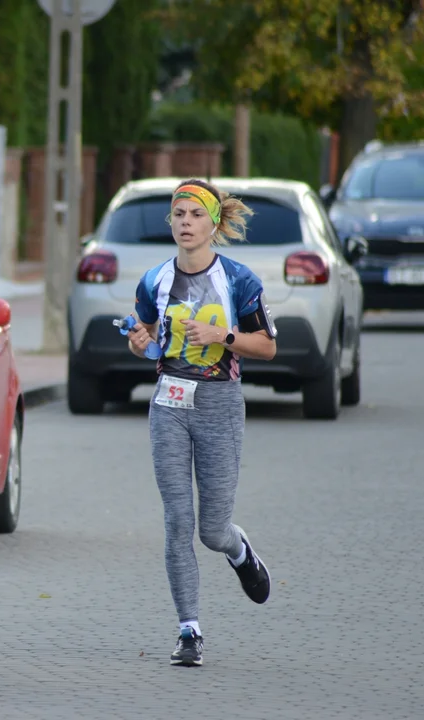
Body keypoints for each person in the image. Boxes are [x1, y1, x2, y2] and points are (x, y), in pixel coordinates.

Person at [125, 178, 278, 667]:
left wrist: (222, 334)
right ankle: (188, 630)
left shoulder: (238, 280)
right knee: (177, 520)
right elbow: (149, 337)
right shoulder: (154, 280)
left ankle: (240, 551)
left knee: (211, 530)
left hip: (219, 405)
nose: (186, 223)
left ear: (214, 223)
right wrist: (139, 341)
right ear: (170, 222)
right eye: (179, 214)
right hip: (168, 403)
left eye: (195, 215)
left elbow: (267, 346)